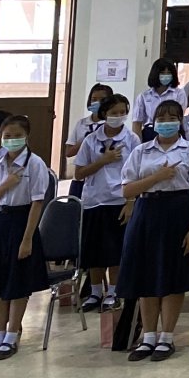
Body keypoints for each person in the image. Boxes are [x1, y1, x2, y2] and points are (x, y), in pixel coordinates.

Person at [117, 99, 189, 361]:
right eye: (161, 117)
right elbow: (127, 189)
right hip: (146, 212)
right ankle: (147, 336)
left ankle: (166, 337)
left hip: (177, 212)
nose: (166, 122)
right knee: (146, 274)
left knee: (172, 275)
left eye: (172, 118)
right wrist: (156, 177)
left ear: (180, 121)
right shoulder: (141, 151)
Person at [0, 114, 51, 358]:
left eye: (17, 136)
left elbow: (37, 203)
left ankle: (12, 336)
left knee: (17, 282)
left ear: (26, 137)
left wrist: (27, 239)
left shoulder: (34, 164)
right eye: (7, 136)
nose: (11, 140)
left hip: (22, 221)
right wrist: (5, 185)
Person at [70, 93, 133, 314]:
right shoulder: (91, 140)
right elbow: (79, 173)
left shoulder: (132, 140)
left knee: (114, 250)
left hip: (118, 200)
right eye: (113, 113)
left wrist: (130, 202)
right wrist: (103, 161)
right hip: (94, 201)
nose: (118, 116)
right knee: (95, 252)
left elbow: (135, 174)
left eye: (122, 112)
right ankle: (95, 292)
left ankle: (113, 292)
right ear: (104, 114)